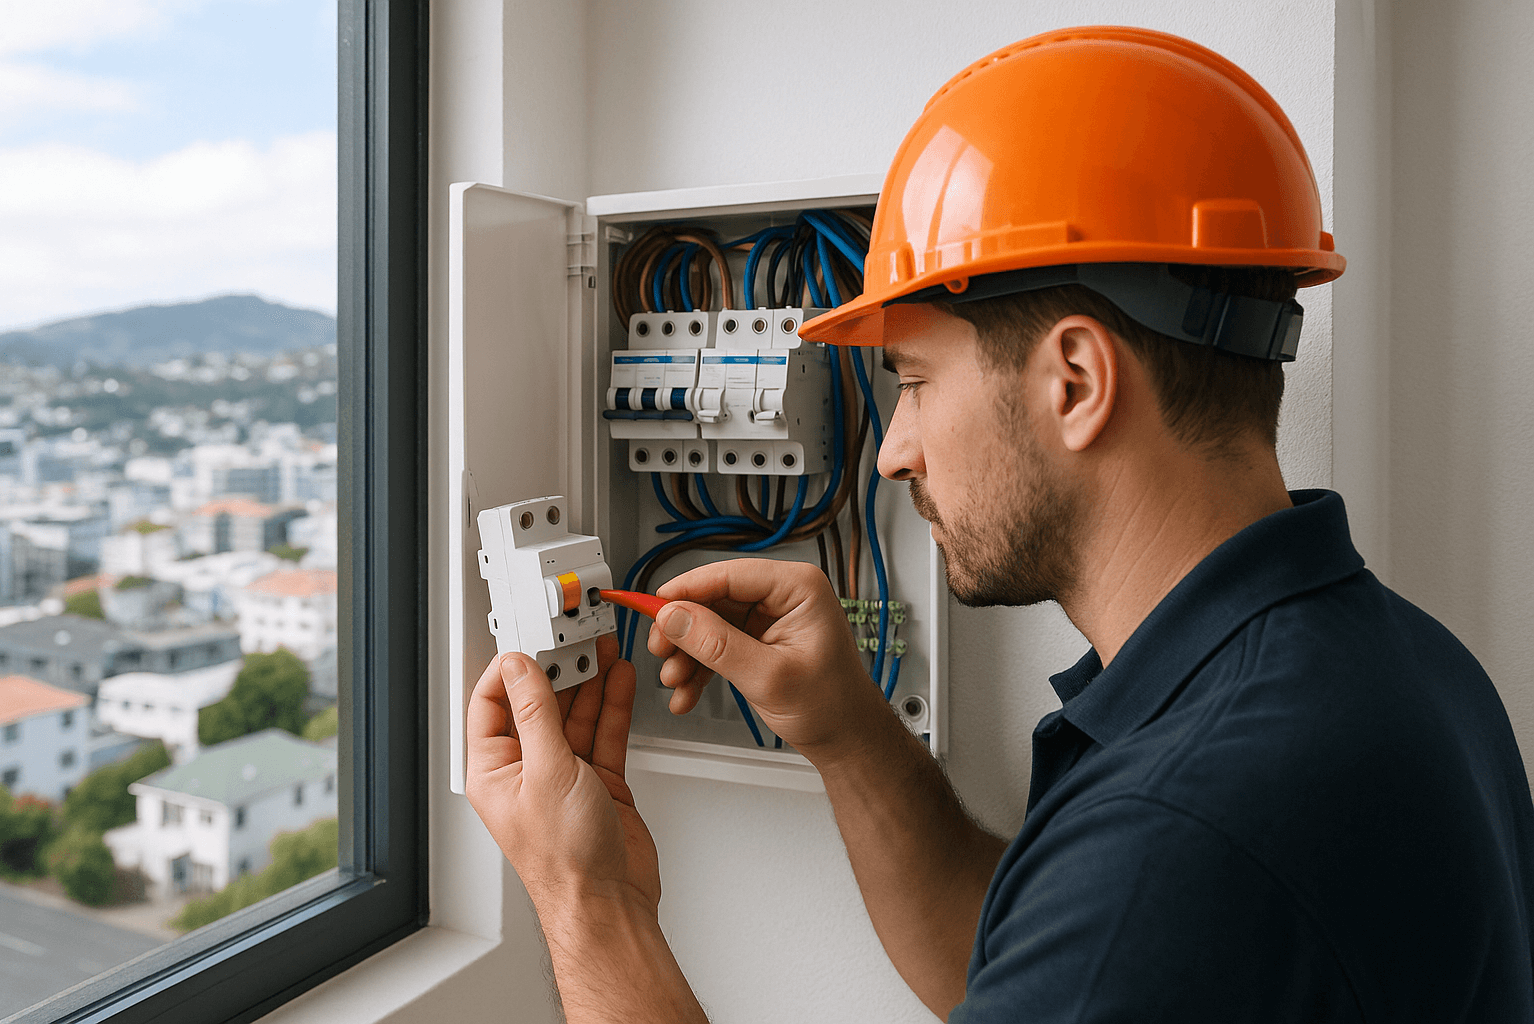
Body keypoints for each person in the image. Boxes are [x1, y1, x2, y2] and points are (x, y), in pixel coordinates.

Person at [465, 27, 1534, 1023]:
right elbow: (1033, 957)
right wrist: (846, 730)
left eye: (915, 381)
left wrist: (586, 899)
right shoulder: (1400, 668)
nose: (890, 449)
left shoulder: (1182, 838)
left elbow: (1114, 931)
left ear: (1073, 380)